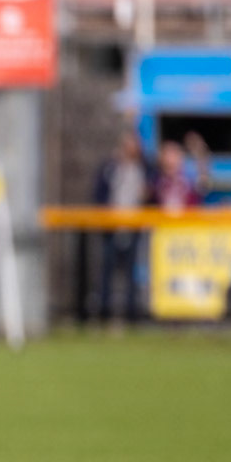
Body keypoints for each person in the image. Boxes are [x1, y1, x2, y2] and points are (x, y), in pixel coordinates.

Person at [91, 130, 154, 323]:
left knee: (133, 271)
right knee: (107, 270)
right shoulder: (111, 167)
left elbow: (152, 193)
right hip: (112, 225)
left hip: (134, 226)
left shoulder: (144, 168)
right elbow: (99, 193)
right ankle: (104, 311)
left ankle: (132, 313)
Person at [153, 133, 211, 212]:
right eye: (165, 154)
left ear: (180, 158)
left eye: (173, 154)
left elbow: (204, 185)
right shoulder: (156, 180)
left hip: (187, 221)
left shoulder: (190, 178)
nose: (169, 160)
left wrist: (199, 152)